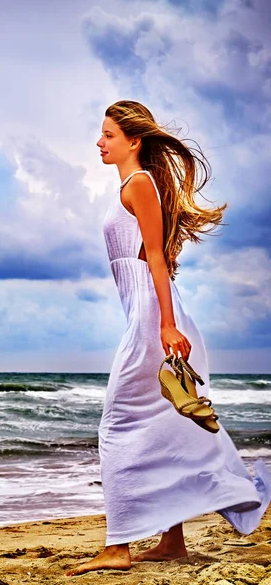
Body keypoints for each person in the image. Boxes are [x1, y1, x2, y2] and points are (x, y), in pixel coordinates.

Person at [66, 100, 271, 577]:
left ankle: (118, 548)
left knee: (116, 425)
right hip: (148, 313)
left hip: (154, 318)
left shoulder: (139, 184)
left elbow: (156, 259)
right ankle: (173, 541)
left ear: (133, 141)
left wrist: (165, 324)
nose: (99, 142)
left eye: (108, 135)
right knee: (171, 428)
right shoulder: (131, 185)